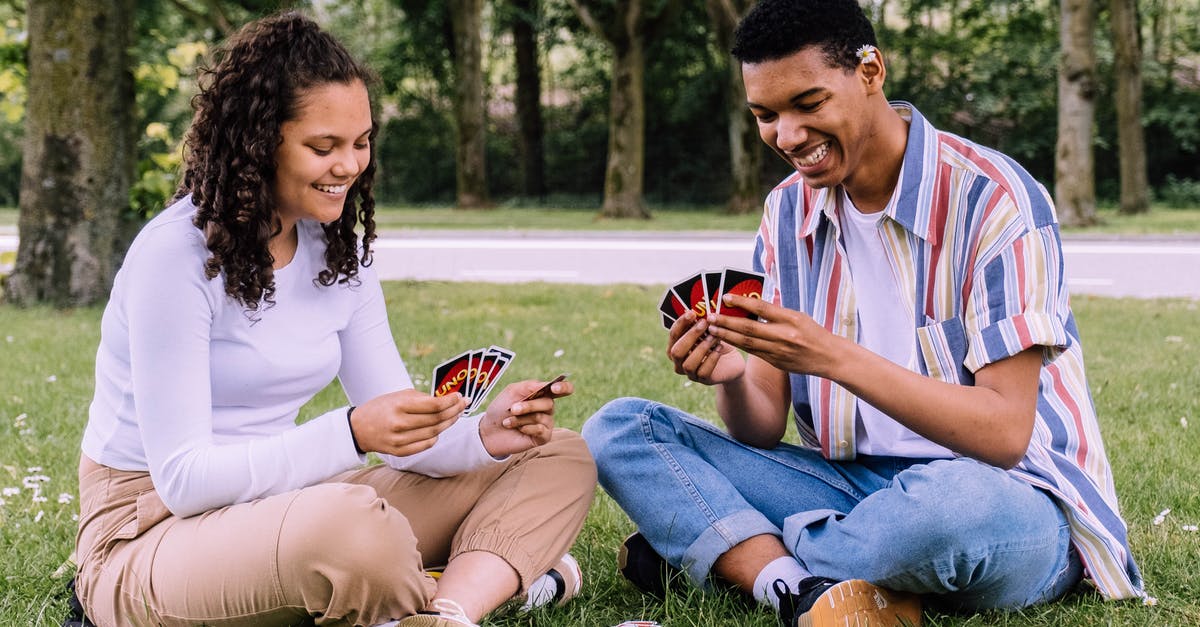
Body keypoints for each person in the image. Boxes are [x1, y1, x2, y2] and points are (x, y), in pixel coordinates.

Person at [582, 1, 1144, 625]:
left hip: (1003, 499)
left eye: (808, 104)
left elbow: (1005, 435)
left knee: (942, 515)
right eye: (766, 115)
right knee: (621, 430)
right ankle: (796, 588)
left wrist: (829, 355)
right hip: (848, 486)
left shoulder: (994, 199)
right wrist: (735, 378)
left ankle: (733, 551)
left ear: (871, 71)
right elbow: (760, 429)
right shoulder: (787, 213)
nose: (788, 136)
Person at [71, 12, 595, 627]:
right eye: (324, 147)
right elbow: (185, 480)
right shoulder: (175, 257)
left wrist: (484, 435)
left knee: (557, 454)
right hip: (151, 530)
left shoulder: (335, 250)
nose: (350, 165)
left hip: (287, 509)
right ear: (258, 142)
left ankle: (448, 611)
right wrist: (351, 434)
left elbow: (397, 427)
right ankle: (507, 575)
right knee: (352, 534)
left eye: (362, 142)